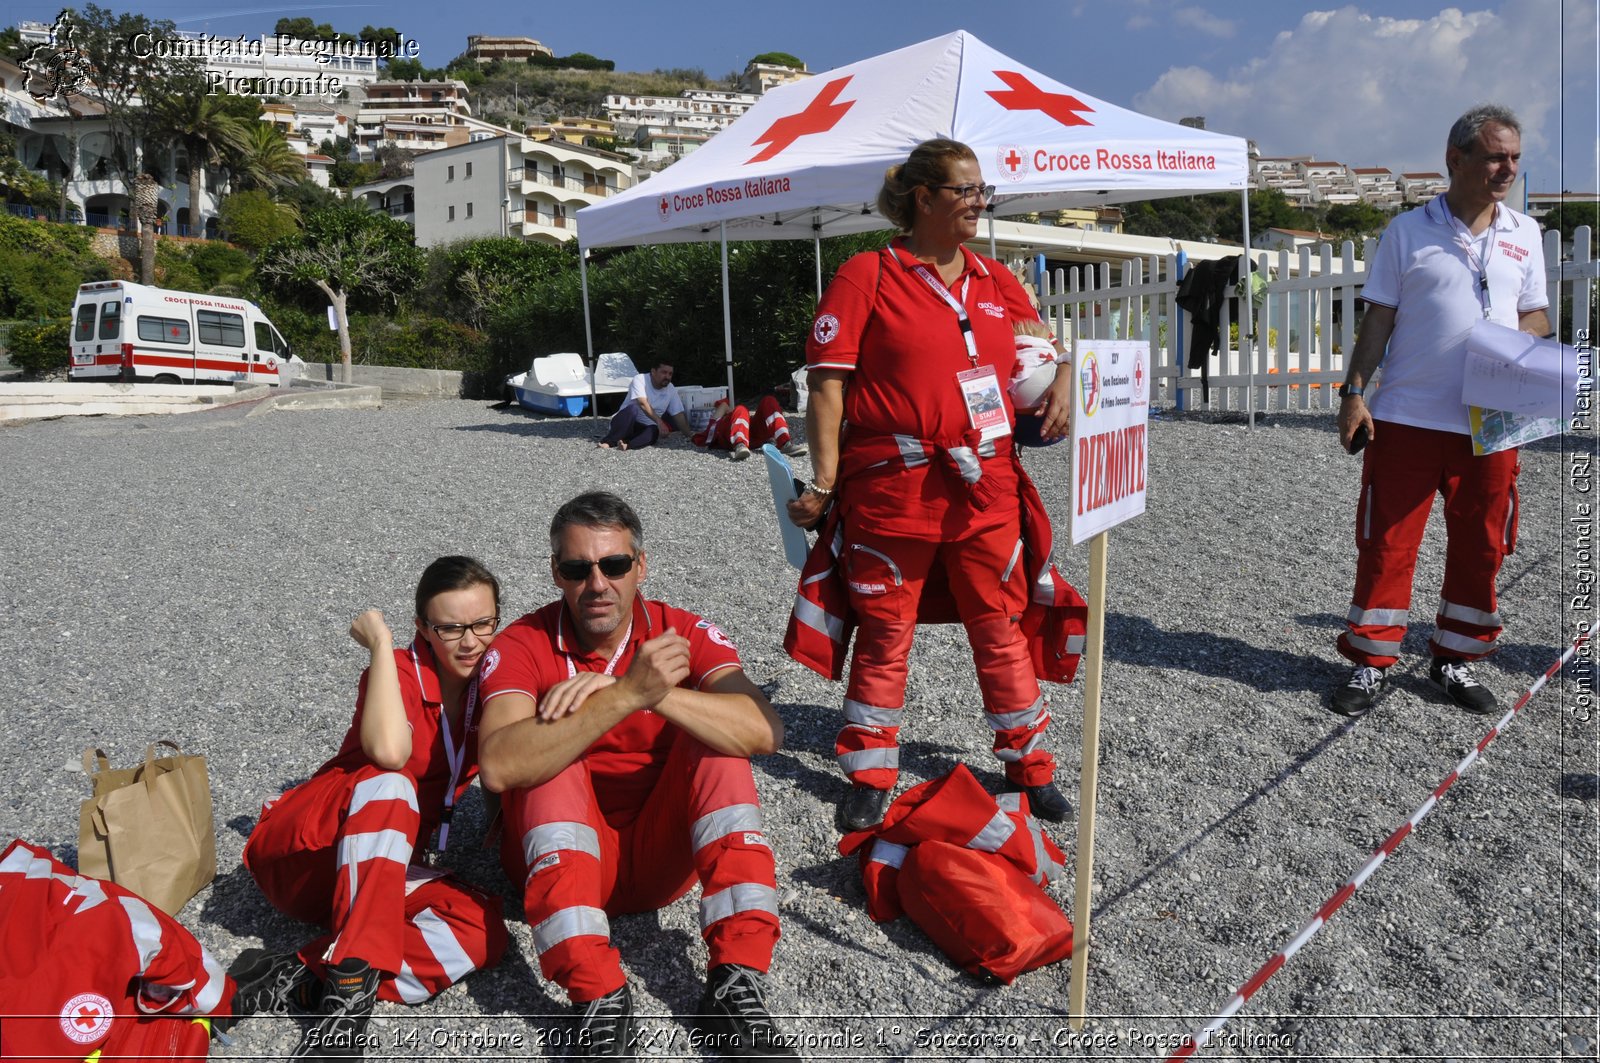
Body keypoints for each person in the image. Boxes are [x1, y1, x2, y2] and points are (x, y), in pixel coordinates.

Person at [786, 138, 1079, 833]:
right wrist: (824, 483)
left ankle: (1029, 763)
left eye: (984, 192)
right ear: (924, 199)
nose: (980, 203)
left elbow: (1045, 350)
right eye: (967, 191)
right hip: (895, 489)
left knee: (1000, 625)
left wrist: (1066, 377)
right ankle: (870, 769)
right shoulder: (867, 275)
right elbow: (828, 386)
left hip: (989, 486)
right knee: (886, 633)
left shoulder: (997, 279)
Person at [476, 491, 797, 1059]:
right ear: (556, 574)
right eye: (578, 569)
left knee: (719, 745)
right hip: (560, 866)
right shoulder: (522, 642)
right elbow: (498, 766)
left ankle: (737, 976)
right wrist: (622, 696)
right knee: (548, 761)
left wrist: (655, 697)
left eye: (614, 565)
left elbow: (764, 732)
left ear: (640, 567)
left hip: (658, 863)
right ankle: (596, 992)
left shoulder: (681, 631)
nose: (597, 583)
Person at [239, 557, 509, 1059]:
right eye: (450, 628)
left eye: (483, 623)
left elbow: (502, 758)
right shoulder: (398, 671)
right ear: (423, 629)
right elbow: (389, 754)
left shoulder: (488, 685)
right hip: (310, 852)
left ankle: (300, 972)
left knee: (483, 931)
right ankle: (343, 1017)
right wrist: (382, 646)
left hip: (373, 874)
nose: (470, 641)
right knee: (392, 786)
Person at [1331, 104, 1550, 718]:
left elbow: (1534, 314)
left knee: (1484, 544)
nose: (1507, 168)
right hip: (1409, 415)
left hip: (1494, 420)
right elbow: (1379, 319)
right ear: (1456, 160)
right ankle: (1370, 661)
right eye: (1494, 156)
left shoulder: (1524, 234)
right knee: (1388, 542)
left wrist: (1526, 350)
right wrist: (1354, 394)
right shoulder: (1407, 231)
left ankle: (1455, 657)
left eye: (1514, 157)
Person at [598, 361, 693, 451]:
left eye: (670, 374)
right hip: (625, 421)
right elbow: (643, 403)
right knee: (632, 409)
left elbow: (678, 414)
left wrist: (690, 435)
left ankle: (628, 444)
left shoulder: (671, 389)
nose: (667, 377)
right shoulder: (640, 379)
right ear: (653, 371)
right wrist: (660, 422)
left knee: (654, 430)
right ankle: (609, 442)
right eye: (664, 372)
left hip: (644, 427)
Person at [693, 394, 808, 461]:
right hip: (730, 437)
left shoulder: (732, 413)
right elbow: (722, 407)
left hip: (751, 435)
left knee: (769, 400)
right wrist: (726, 408)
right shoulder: (719, 418)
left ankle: (784, 442)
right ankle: (739, 444)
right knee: (741, 409)